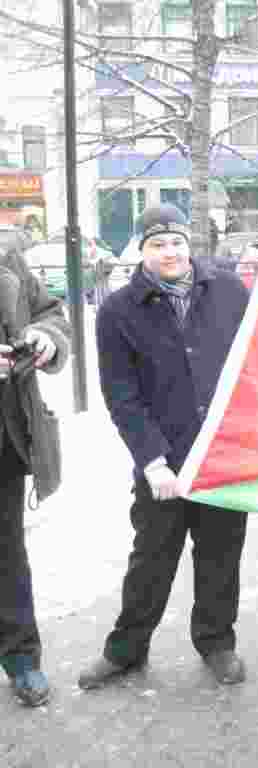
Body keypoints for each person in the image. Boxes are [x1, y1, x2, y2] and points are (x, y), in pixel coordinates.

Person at [79, 203, 251, 690]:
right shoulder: (118, 311)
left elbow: (253, 365)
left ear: (188, 244)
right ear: (142, 249)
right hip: (163, 463)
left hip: (220, 457)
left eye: (177, 242)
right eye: (157, 244)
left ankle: (216, 642)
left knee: (220, 557)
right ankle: (126, 649)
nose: (170, 252)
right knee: (151, 560)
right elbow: (122, 394)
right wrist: (152, 461)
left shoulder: (229, 291)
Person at [0, 242, 70, 707]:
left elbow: (51, 313)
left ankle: (21, 658)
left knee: (7, 554)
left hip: (6, 435)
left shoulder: (8, 260)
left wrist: (45, 337)